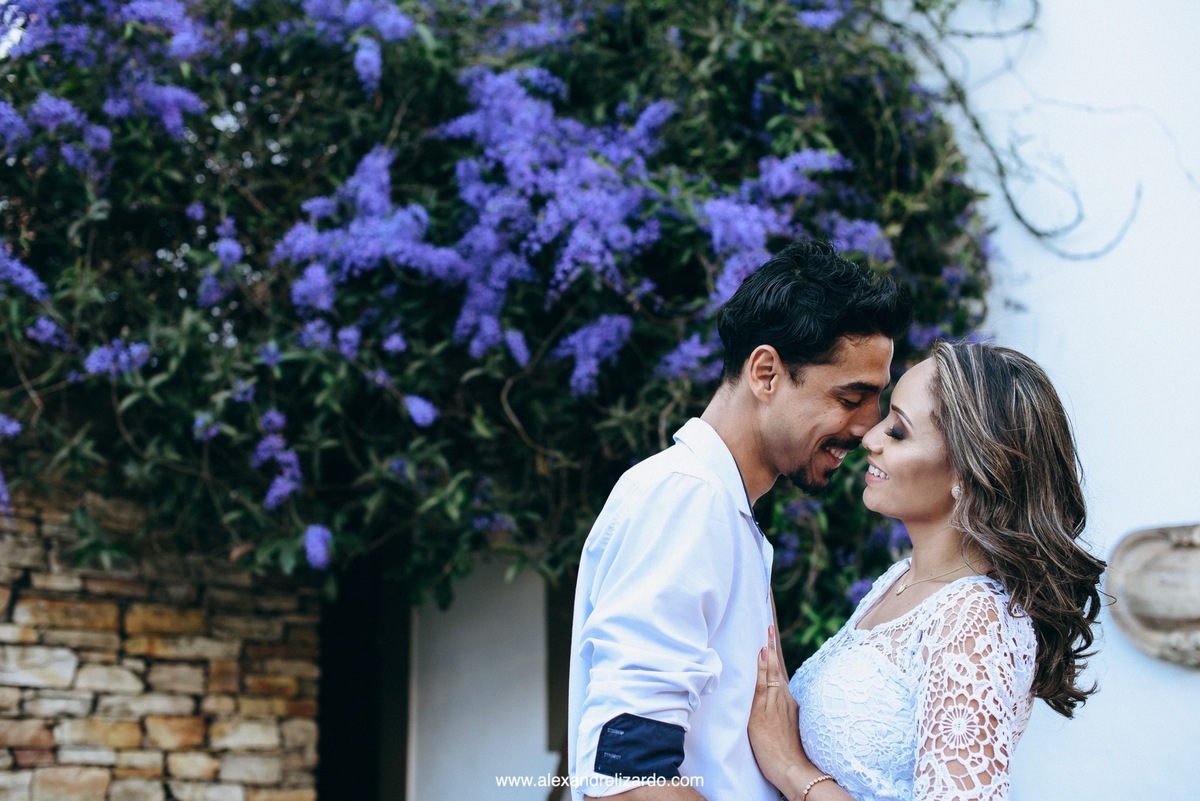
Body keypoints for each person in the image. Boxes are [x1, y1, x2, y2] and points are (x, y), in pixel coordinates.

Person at [567, 240, 912, 800]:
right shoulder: (686, 499)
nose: (869, 428)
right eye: (852, 397)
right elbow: (630, 781)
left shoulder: (721, 510)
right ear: (767, 372)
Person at [748, 341, 1106, 801]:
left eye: (898, 431)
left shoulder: (977, 621)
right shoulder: (899, 582)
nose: (871, 438)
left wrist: (791, 769)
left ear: (969, 471)